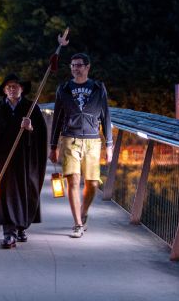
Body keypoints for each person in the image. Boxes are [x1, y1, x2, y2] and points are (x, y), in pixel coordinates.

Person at [49, 53, 113, 239]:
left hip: (93, 141)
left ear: (87, 67)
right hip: (70, 139)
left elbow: (106, 116)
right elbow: (58, 117)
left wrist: (109, 144)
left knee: (92, 183)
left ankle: (83, 211)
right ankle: (77, 223)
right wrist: (53, 146)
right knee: (73, 181)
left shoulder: (98, 88)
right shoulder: (64, 89)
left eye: (79, 65)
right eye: (73, 65)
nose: (76, 68)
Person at [0, 74, 47, 249]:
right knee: (3, 195)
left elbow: (41, 137)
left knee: (24, 192)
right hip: (1, 159)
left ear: (22, 89)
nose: (12, 89)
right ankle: (9, 232)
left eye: (15, 86)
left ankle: (20, 226)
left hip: (24, 160)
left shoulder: (31, 109)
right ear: (4, 90)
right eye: (8, 87)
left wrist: (30, 128)